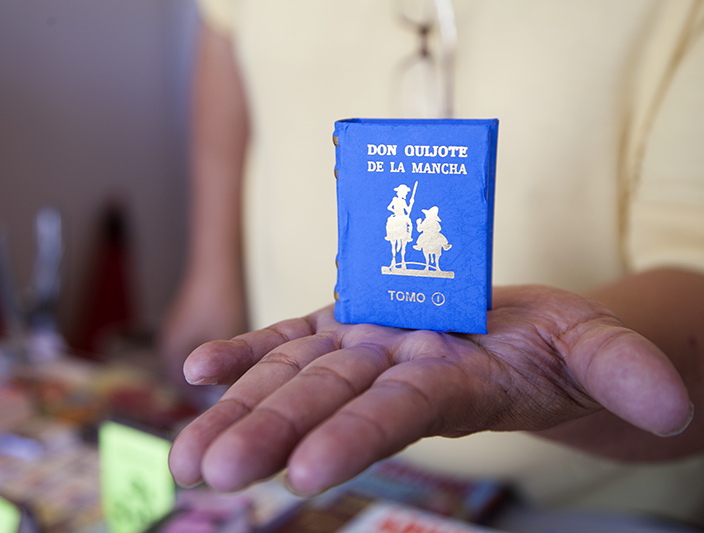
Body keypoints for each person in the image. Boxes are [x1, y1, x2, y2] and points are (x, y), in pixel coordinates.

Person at [163, 0, 704, 524]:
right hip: (294, 445)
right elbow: (228, 33)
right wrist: (211, 271)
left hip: (577, 502)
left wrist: (559, 365)